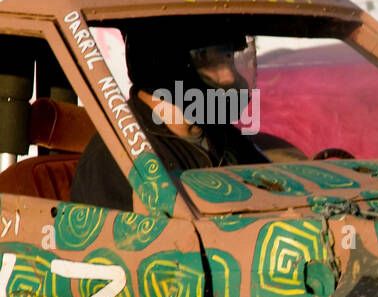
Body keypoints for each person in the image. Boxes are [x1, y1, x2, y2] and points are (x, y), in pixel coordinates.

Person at [70, 38, 267, 212]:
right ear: (168, 63)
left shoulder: (221, 134)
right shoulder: (116, 157)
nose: (230, 77)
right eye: (209, 61)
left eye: (229, 58)